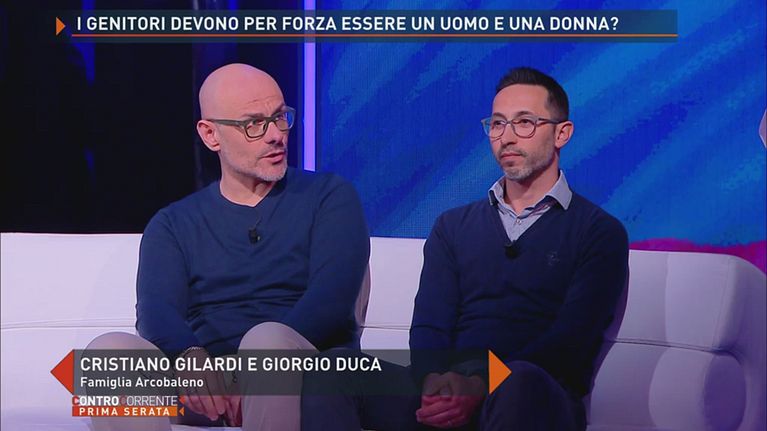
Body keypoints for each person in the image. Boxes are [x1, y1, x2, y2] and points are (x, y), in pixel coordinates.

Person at [301, 66, 629, 431]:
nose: (507, 137)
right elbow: (429, 327)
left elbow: (569, 344)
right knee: (332, 369)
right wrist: (437, 384)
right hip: (451, 389)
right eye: (498, 124)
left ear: (561, 133)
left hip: (534, 393)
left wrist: (480, 382)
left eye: (524, 123)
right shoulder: (453, 227)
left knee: (520, 381)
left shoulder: (599, 232)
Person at [86, 63, 370, 431]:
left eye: (280, 117)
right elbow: (156, 311)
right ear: (211, 135)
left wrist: (248, 373)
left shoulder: (330, 197)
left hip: (304, 371)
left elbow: (331, 303)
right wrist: (191, 359)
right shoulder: (173, 223)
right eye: (254, 124)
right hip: (208, 385)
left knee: (266, 344)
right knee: (108, 356)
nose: (275, 135)